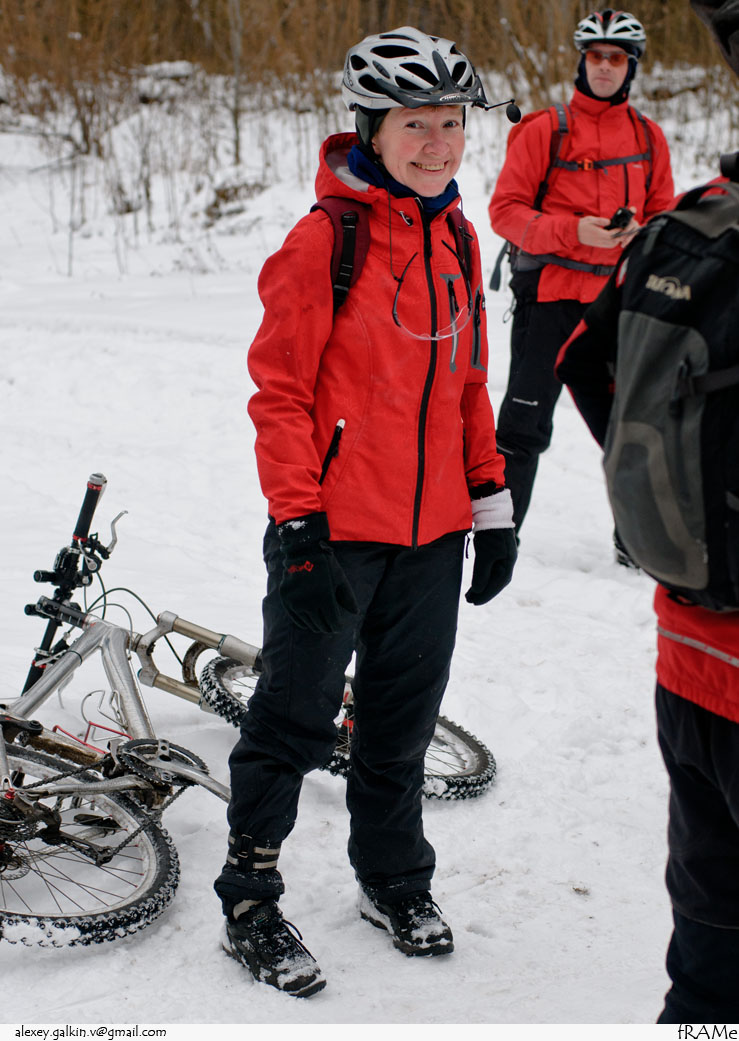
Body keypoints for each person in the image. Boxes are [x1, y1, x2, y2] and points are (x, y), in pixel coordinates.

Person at [213, 26, 518, 998]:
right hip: (334, 534)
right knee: (292, 723)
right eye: (415, 125)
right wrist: (297, 526)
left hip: (432, 537)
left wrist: (491, 507)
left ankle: (392, 878)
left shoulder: (457, 237)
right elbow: (278, 396)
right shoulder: (324, 242)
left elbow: (467, 385)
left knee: (399, 724)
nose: (437, 144)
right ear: (372, 130)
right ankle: (249, 897)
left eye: (450, 124)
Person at [555, 193, 739, 1021]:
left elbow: (579, 358)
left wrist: (668, 499)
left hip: (687, 663)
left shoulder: (685, 230)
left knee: (708, 950)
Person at [488, 9, 674, 538]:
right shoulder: (545, 130)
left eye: (616, 57)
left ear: (631, 65)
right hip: (551, 299)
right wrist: (575, 231)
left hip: (619, 304)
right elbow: (505, 212)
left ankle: (638, 543)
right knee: (522, 428)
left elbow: (665, 218)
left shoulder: (649, 137)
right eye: (596, 56)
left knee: (635, 428)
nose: (605, 66)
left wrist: (640, 233)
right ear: (582, 61)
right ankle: (498, 539)